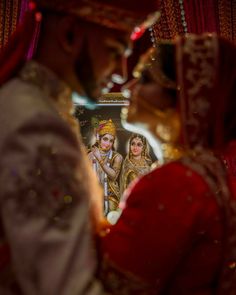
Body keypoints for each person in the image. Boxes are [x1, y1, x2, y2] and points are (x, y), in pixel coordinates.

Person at [0, 0, 160, 294]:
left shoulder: (32, 107)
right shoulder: (35, 123)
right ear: (69, 35)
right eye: (114, 51)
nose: (120, 73)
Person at [98, 34, 236, 294]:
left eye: (146, 80)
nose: (129, 88)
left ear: (183, 95)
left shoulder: (175, 183)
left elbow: (112, 286)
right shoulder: (213, 171)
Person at [88, 119, 123, 215]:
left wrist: (100, 159)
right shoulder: (90, 156)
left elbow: (114, 176)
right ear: (99, 138)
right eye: (105, 139)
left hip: (111, 195)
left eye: (111, 141)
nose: (108, 144)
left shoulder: (117, 157)